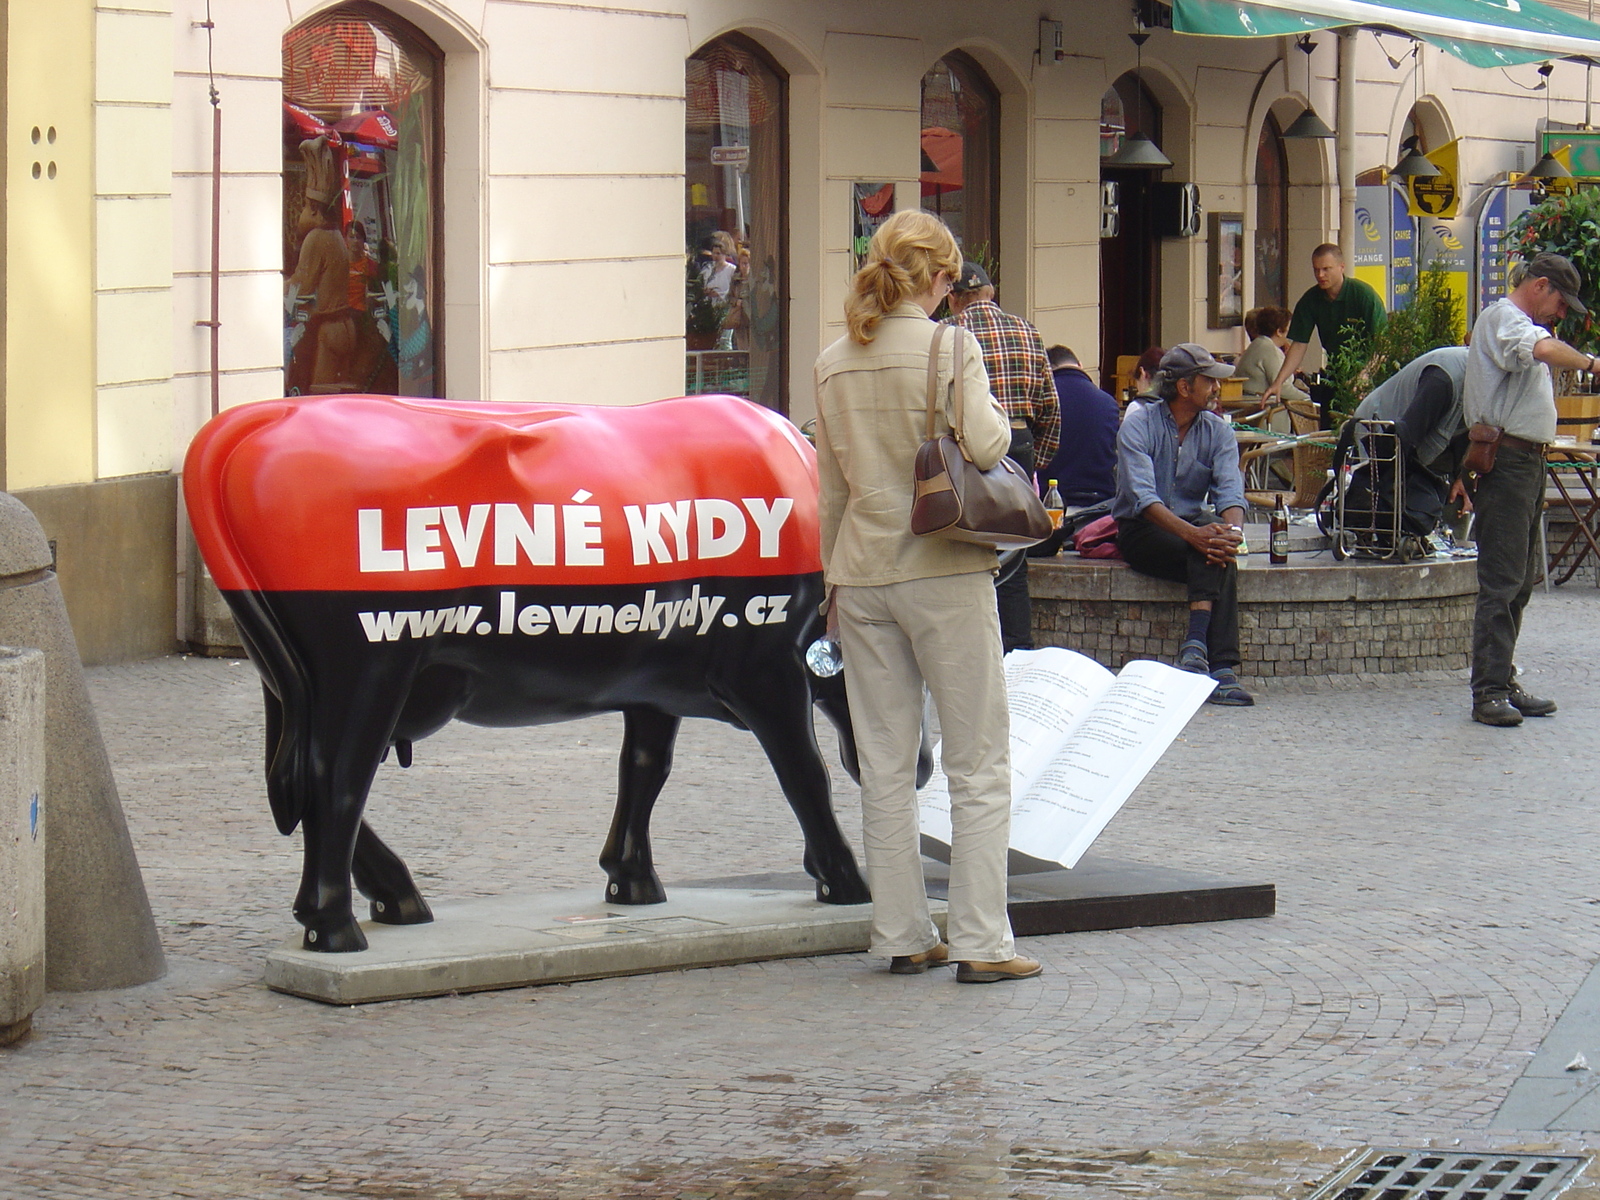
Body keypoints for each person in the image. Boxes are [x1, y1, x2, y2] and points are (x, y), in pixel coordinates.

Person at [813, 210, 1040, 984]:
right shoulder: (952, 345)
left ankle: (900, 932)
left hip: (863, 572)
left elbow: (832, 493)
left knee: (883, 762)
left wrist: (831, 586)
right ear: (941, 278)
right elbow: (986, 445)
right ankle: (981, 940)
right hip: (942, 570)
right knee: (977, 761)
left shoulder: (834, 359)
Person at [1452, 253, 1591, 727]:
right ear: (1540, 285)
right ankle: (1487, 691)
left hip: (1526, 460)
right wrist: (1592, 364)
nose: (1561, 313)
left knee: (1520, 578)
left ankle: (1502, 679)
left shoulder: (1519, 324)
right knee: (1502, 579)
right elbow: (1545, 350)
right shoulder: (1502, 318)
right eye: (1560, 302)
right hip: (1506, 461)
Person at [1114, 344, 1253, 706]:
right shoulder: (1139, 424)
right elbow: (1143, 500)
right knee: (1206, 547)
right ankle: (1220, 669)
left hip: (1194, 526)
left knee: (1218, 547)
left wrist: (1231, 535)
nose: (1217, 389)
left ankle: (1198, 653)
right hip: (1142, 530)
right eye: (1209, 381)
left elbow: (1230, 492)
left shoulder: (1217, 431)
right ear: (1184, 388)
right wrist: (1198, 536)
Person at [947, 261, 1061, 653]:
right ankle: (1018, 645)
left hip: (969, 446)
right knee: (1014, 552)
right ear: (991, 293)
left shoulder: (951, 333)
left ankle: (974, 645)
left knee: (969, 546)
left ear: (954, 298)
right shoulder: (1028, 330)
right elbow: (1050, 404)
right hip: (1020, 440)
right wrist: (1035, 459)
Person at [1262, 244, 1387, 406]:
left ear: (1342, 267)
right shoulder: (1310, 300)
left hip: (1371, 376)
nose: (1320, 275)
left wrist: (1365, 375)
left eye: (1326, 269)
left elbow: (1382, 345)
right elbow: (1299, 345)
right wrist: (1278, 382)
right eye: (1316, 270)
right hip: (1335, 375)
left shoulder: (1364, 295)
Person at [1039, 345, 1118, 514]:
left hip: (1052, 503)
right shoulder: (1108, 402)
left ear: (1047, 370)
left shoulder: (1043, 399)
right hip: (1100, 505)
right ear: (1080, 365)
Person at [1237, 306, 1308, 409]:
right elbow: (1283, 388)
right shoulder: (1270, 350)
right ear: (1279, 331)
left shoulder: (1257, 345)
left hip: (1251, 408)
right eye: (1290, 329)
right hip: (1267, 412)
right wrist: (1308, 400)